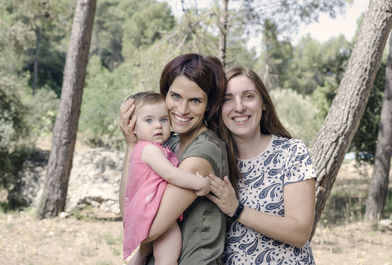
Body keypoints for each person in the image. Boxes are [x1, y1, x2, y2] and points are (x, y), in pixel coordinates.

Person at [119, 54, 239, 264]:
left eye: (195, 100)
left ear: (208, 105)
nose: (182, 110)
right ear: (164, 95)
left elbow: (143, 231)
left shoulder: (203, 152)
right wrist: (132, 144)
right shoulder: (168, 144)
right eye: (175, 96)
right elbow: (129, 209)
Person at [207, 66, 317, 264]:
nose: (239, 107)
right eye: (227, 99)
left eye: (248, 96)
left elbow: (300, 232)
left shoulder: (291, 152)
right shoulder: (214, 161)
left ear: (263, 103)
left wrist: (237, 209)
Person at [122, 92, 210, 265]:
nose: (158, 126)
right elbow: (171, 174)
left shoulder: (148, 148)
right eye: (148, 120)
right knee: (169, 255)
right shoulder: (149, 150)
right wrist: (201, 183)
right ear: (133, 127)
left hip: (146, 209)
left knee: (145, 253)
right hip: (152, 211)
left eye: (163, 119)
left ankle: (140, 257)